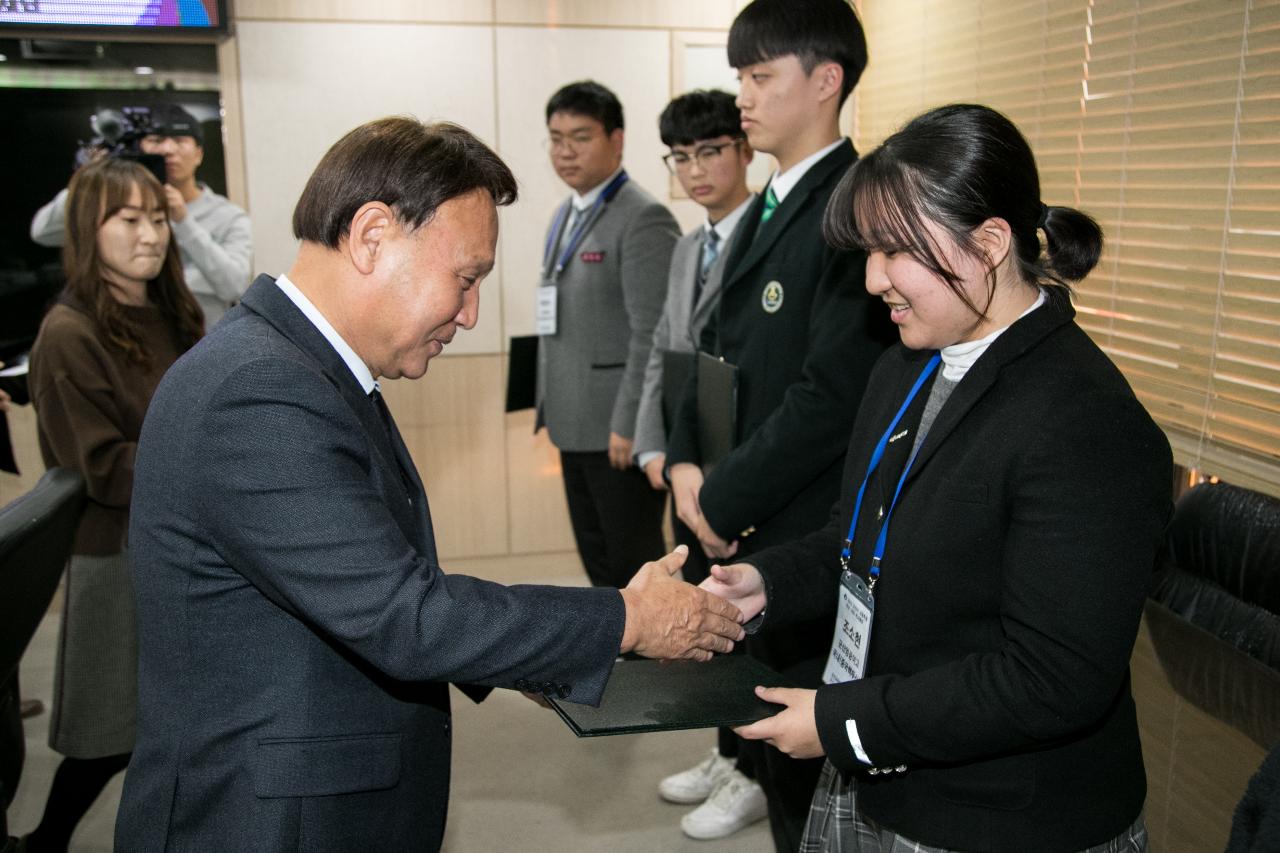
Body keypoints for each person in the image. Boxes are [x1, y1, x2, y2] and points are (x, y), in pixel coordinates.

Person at [114, 117, 744, 853]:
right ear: (373, 234)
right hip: (262, 819)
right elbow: (402, 613)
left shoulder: (301, 368)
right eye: (466, 278)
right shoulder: (260, 392)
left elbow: (373, 584)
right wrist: (629, 620)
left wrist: (534, 651)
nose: (470, 314)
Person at [704, 103, 1173, 853]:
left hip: (1001, 817)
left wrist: (840, 720)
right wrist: (763, 582)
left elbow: (1052, 678)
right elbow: (859, 540)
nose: (871, 279)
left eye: (896, 252)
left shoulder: (1085, 421)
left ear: (989, 243)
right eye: (867, 251)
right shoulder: (904, 366)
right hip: (883, 771)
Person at [663, 0, 894, 846]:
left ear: (826, 81)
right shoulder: (766, 203)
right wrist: (686, 462)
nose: (743, 99)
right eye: (741, 79)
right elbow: (711, 350)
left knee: (802, 775)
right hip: (737, 508)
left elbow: (830, 398)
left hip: (796, 529)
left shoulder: (853, 207)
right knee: (761, 732)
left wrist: (721, 498)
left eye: (761, 77)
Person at [23, 157, 204, 853]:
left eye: (158, 218)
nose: (150, 235)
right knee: (108, 733)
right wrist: (207, 469)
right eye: (128, 220)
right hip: (117, 553)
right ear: (87, 228)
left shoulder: (169, 309)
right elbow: (101, 466)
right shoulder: (68, 334)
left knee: (168, 727)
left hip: (179, 541)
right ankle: (45, 840)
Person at [634, 89, 762, 833]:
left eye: (710, 151)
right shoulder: (690, 245)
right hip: (690, 458)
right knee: (703, 603)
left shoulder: (765, 238)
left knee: (746, 611)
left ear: (744, 150)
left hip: (744, 465)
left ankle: (751, 763)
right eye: (681, 158)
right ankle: (725, 745)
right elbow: (667, 348)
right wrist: (660, 445)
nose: (696, 170)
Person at [535, 80, 680, 589]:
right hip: (572, 423)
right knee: (599, 562)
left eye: (580, 137)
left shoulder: (643, 217)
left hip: (617, 431)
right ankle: (619, 659)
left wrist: (630, 425)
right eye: (555, 138)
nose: (565, 151)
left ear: (616, 140)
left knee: (634, 564)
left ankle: (652, 666)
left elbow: (653, 334)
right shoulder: (565, 213)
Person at [30, 102, 252, 326]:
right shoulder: (113, 208)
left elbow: (234, 286)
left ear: (199, 154)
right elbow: (43, 232)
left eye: (179, 140)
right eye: (156, 140)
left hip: (200, 340)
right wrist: (92, 180)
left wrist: (184, 222)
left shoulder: (229, 216)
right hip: (124, 332)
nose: (167, 149)